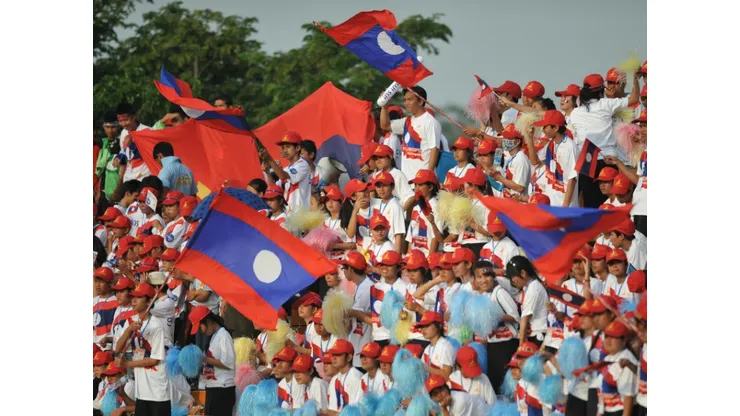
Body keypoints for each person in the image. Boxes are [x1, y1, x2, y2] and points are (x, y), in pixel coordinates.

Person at [569, 73, 641, 208]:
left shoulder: (575, 113)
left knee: (590, 206)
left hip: (586, 163)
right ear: (601, 90)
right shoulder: (605, 104)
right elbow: (634, 99)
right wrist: (635, 79)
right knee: (611, 204)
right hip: (608, 160)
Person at [115, 282, 171, 416]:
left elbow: (155, 360)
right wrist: (129, 330)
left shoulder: (156, 325)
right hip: (141, 388)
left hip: (157, 388)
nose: (134, 300)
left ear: (149, 301)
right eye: (133, 297)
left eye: (139, 297)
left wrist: (128, 364)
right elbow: (117, 348)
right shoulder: (131, 321)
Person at [380, 86, 442, 181]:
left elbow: (434, 149)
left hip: (421, 181)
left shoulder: (430, 122)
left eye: (410, 99)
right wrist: (384, 107)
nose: (406, 103)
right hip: (407, 181)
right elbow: (385, 126)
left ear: (420, 101)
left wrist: (427, 177)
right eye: (405, 100)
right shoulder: (407, 121)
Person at [474, 267, 520, 393]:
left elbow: (516, 317)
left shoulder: (500, 292)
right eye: (479, 277)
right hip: (493, 344)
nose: (483, 280)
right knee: (494, 384)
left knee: (503, 384)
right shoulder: (484, 295)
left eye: (487, 276)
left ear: (493, 277)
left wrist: (494, 317)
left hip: (506, 345)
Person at [189, 305, 236, 416]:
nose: (200, 332)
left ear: (208, 321)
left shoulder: (224, 335)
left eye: (200, 328)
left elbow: (228, 363)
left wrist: (205, 358)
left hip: (222, 388)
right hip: (212, 387)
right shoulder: (214, 336)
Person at [529, 109, 579, 207]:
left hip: (564, 206)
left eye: (545, 127)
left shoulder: (570, 147)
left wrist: (564, 207)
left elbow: (572, 179)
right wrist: (530, 138)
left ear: (556, 127)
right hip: (552, 203)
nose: (543, 130)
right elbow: (535, 161)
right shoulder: (551, 144)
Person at [260, 131, 311, 213]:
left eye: (288, 147)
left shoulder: (302, 165)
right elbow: (273, 188)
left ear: (297, 148)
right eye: (283, 147)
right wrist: (267, 172)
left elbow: (283, 176)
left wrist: (269, 158)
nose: (284, 150)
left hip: (302, 214)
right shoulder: (287, 169)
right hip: (289, 213)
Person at [340, 251, 374, 369]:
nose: (343, 272)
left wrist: (342, 312)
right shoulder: (360, 285)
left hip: (364, 343)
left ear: (350, 269)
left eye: (344, 268)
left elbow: (358, 313)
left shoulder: (367, 287)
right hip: (358, 341)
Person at [505, 256, 548, 347]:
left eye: (513, 276)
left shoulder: (534, 288)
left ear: (523, 273)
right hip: (534, 334)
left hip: (539, 335)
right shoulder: (528, 287)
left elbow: (525, 318)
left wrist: (521, 346)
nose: (512, 280)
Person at [370, 250, 409, 348]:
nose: (384, 267)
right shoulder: (374, 288)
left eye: (389, 265)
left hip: (401, 338)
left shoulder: (407, 287)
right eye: (382, 264)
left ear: (398, 268)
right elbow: (372, 314)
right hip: (379, 337)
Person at [600, 321, 638, 416]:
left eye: (613, 337)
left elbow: (628, 396)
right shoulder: (607, 358)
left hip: (620, 411)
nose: (608, 340)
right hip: (608, 410)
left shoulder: (627, 360)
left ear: (624, 340)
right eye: (606, 336)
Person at [406, 169, 445, 256]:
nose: (416, 188)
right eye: (415, 185)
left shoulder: (437, 207)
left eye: (420, 185)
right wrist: (409, 256)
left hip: (428, 256)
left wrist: (430, 259)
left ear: (430, 187)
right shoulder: (416, 207)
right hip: (414, 257)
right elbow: (411, 237)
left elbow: (436, 238)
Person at [368, 172, 406, 253]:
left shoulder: (396, 206)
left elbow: (399, 234)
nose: (381, 189)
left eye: (385, 185)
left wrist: (396, 256)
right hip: (377, 248)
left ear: (392, 186)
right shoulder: (377, 204)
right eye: (378, 186)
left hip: (390, 250)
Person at [326, 339, 364, 413]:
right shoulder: (334, 379)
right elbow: (332, 409)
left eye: (338, 354)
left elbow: (356, 412)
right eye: (333, 354)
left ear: (349, 357)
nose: (333, 358)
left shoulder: (357, 378)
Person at [117, 102, 152, 182]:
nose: (123, 124)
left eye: (125, 120)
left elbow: (151, 156)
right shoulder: (124, 133)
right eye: (120, 121)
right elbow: (124, 155)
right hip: (128, 178)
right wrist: (118, 158)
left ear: (133, 117)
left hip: (144, 177)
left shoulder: (147, 131)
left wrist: (132, 145)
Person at [418, 311, 455, 381]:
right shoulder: (427, 349)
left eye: (427, 325)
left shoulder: (445, 346)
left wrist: (425, 368)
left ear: (439, 326)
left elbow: (447, 376)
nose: (423, 329)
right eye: (421, 326)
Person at [94, 267, 117, 348]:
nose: (98, 285)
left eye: (101, 281)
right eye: (96, 281)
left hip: (107, 347)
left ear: (110, 283)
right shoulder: (93, 301)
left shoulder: (116, 302)